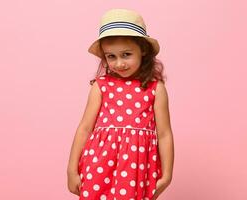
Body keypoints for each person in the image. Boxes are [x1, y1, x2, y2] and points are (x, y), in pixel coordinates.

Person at [67, 8, 174, 200]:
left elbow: (165, 134)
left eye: (126, 54)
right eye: (111, 56)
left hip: (137, 167)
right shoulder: (101, 87)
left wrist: (167, 174)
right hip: (99, 164)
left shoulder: (155, 89)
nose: (119, 64)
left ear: (143, 50)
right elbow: (84, 128)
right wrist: (71, 169)